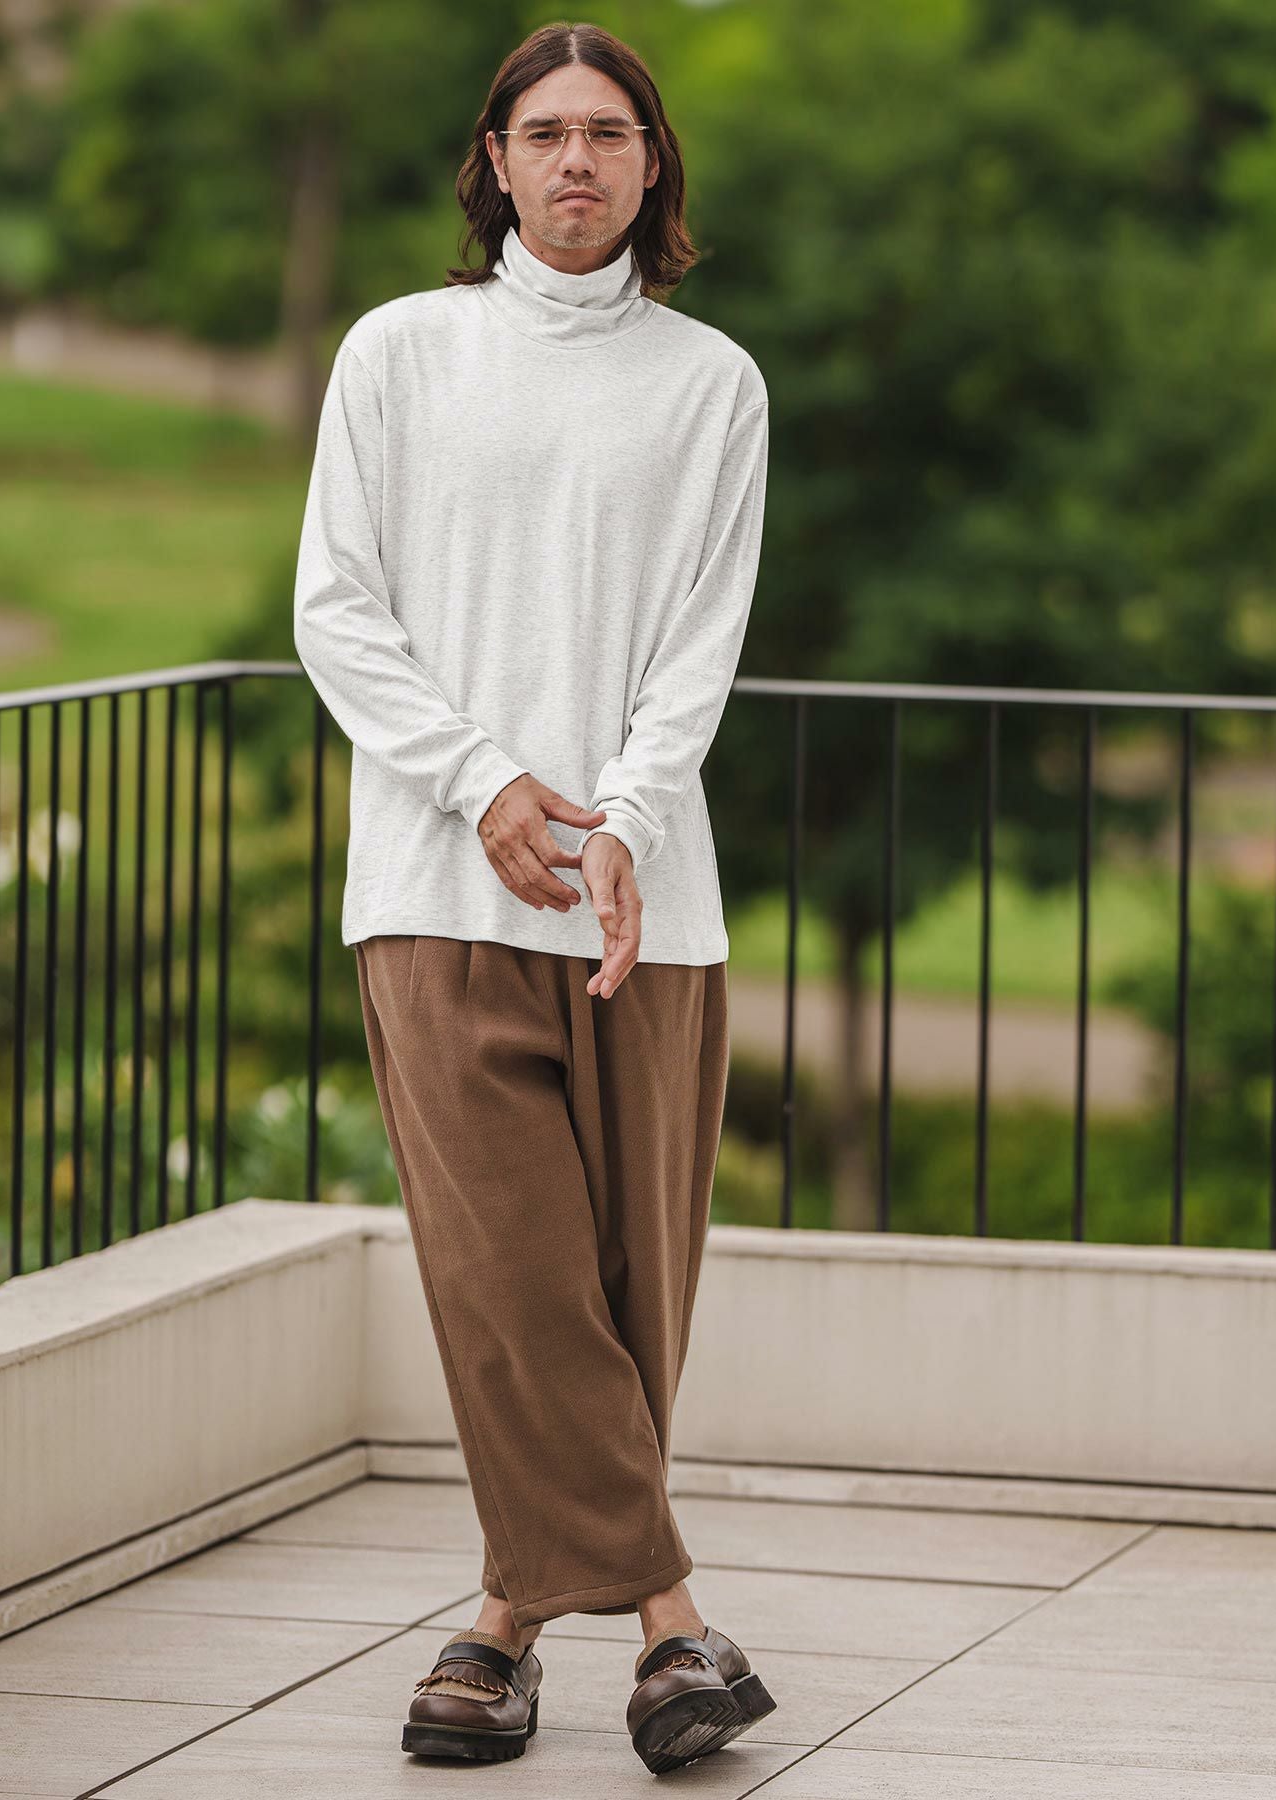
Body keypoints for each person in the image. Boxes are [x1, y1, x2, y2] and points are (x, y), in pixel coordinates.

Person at [293, 19, 773, 1778]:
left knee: (627, 1294)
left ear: (653, 165)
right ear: (493, 160)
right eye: (547, 131)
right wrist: (483, 782)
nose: (579, 160)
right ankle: (671, 1626)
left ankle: (501, 1628)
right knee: (512, 1280)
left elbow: (701, 643)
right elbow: (336, 610)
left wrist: (625, 816)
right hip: (437, 885)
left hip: (651, 908)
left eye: (611, 133)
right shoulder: (398, 354)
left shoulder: (713, 385)